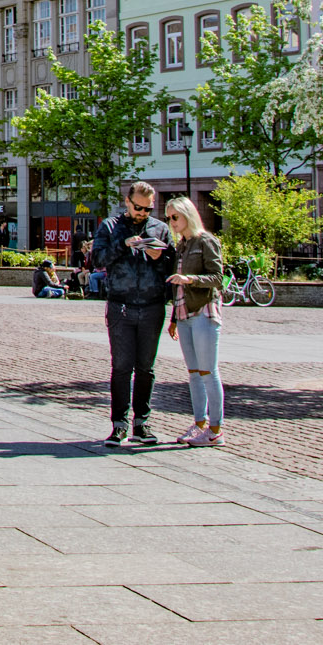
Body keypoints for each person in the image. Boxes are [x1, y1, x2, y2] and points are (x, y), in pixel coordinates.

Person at [88, 181, 177, 447]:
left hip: (152, 305)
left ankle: (142, 423)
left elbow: (172, 265)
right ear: (127, 202)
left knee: (146, 368)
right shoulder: (110, 226)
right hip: (121, 305)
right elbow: (97, 260)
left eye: (148, 209)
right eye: (138, 208)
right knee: (121, 366)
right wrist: (123, 244)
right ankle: (119, 424)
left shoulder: (160, 229)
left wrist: (160, 257)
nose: (142, 213)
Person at [164, 196, 224, 446]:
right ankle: (199, 423)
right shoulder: (182, 245)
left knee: (208, 371)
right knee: (194, 373)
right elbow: (175, 286)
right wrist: (173, 319)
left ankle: (215, 429)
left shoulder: (205, 241)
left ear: (187, 214)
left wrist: (191, 279)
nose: (171, 222)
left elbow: (218, 277)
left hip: (203, 312)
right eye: (169, 218)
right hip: (183, 314)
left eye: (175, 217)